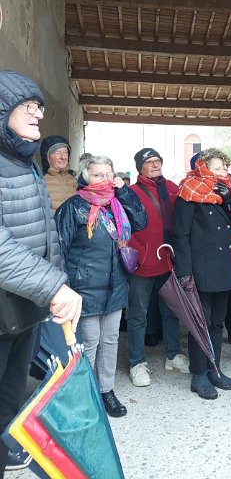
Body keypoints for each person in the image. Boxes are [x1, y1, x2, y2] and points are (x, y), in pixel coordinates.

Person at [0, 70, 83, 477]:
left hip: (22, 311)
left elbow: (45, 234)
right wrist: (53, 286)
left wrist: (57, 282)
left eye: (40, 107)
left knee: (8, 406)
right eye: (29, 107)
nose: (39, 114)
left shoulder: (22, 163)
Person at [56, 155, 147, 418]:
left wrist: (124, 192)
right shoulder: (73, 207)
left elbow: (141, 222)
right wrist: (64, 287)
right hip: (83, 288)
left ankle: (107, 390)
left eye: (108, 174)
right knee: (89, 342)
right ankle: (86, 393)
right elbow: (59, 249)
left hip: (116, 284)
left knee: (111, 339)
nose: (104, 179)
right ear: (86, 177)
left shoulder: (117, 202)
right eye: (97, 175)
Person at [172, 149, 231, 399]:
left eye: (224, 168)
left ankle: (214, 369)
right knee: (200, 324)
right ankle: (199, 375)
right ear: (203, 167)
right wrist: (184, 273)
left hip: (222, 268)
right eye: (217, 168)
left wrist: (228, 199)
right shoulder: (188, 192)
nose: (222, 172)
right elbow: (180, 236)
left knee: (216, 323)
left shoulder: (223, 192)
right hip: (199, 269)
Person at [128, 148, 188, 387]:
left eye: (158, 161)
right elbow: (124, 228)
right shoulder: (131, 193)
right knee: (138, 315)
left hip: (168, 262)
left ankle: (173, 355)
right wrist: (140, 255)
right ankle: (137, 362)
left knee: (171, 311)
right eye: (150, 162)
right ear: (140, 167)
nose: (155, 165)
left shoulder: (172, 187)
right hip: (143, 265)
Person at [40, 135, 77, 210]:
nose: (63, 157)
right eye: (58, 153)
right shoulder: (40, 179)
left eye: (65, 152)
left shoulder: (74, 178)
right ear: (47, 157)